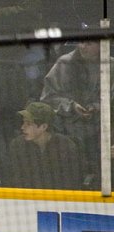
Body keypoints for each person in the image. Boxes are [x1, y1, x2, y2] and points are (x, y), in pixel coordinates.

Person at [40, 38, 105, 186]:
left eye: (89, 43)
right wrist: (71, 106)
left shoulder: (111, 65)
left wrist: (96, 107)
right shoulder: (64, 63)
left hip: (101, 134)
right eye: (81, 42)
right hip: (66, 132)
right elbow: (47, 98)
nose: (82, 46)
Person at [7, 101, 83, 189]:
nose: (22, 127)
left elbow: (71, 183)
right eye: (23, 122)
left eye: (28, 124)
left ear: (43, 127)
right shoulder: (17, 145)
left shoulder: (66, 146)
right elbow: (15, 180)